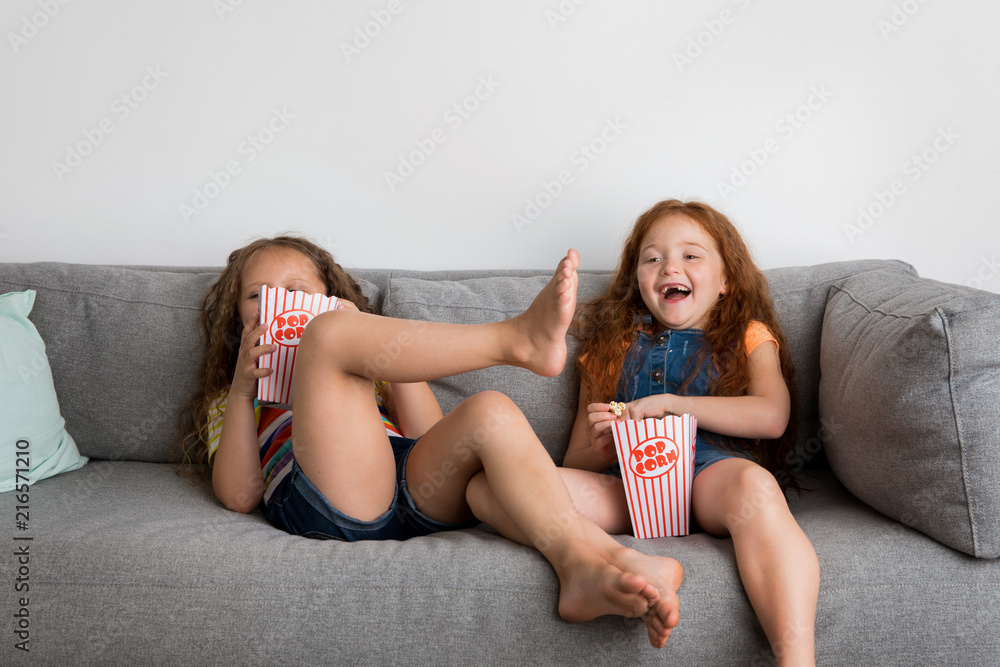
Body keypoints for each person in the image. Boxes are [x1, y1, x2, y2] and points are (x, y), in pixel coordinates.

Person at [178, 235, 682, 648]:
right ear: (237, 318)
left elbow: (423, 438)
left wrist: (375, 341)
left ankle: (583, 564)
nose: (276, 300)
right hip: (327, 502)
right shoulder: (234, 397)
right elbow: (241, 494)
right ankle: (516, 340)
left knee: (491, 410)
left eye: (295, 289)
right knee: (328, 339)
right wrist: (246, 392)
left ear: (328, 298)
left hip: (408, 486)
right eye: (256, 294)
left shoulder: (360, 366)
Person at [467, 201, 819, 666]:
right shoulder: (611, 346)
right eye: (652, 258)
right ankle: (612, 566)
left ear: (726, 280)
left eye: (691, 256)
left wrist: (673, 405)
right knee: (484, 488)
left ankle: (796, 660)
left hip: (709, 481)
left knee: (755, 485)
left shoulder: (748, 335)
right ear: (639, 281)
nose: (670, 266)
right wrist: (601, 446)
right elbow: (574, 461)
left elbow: (771, 416)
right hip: (627, 489)